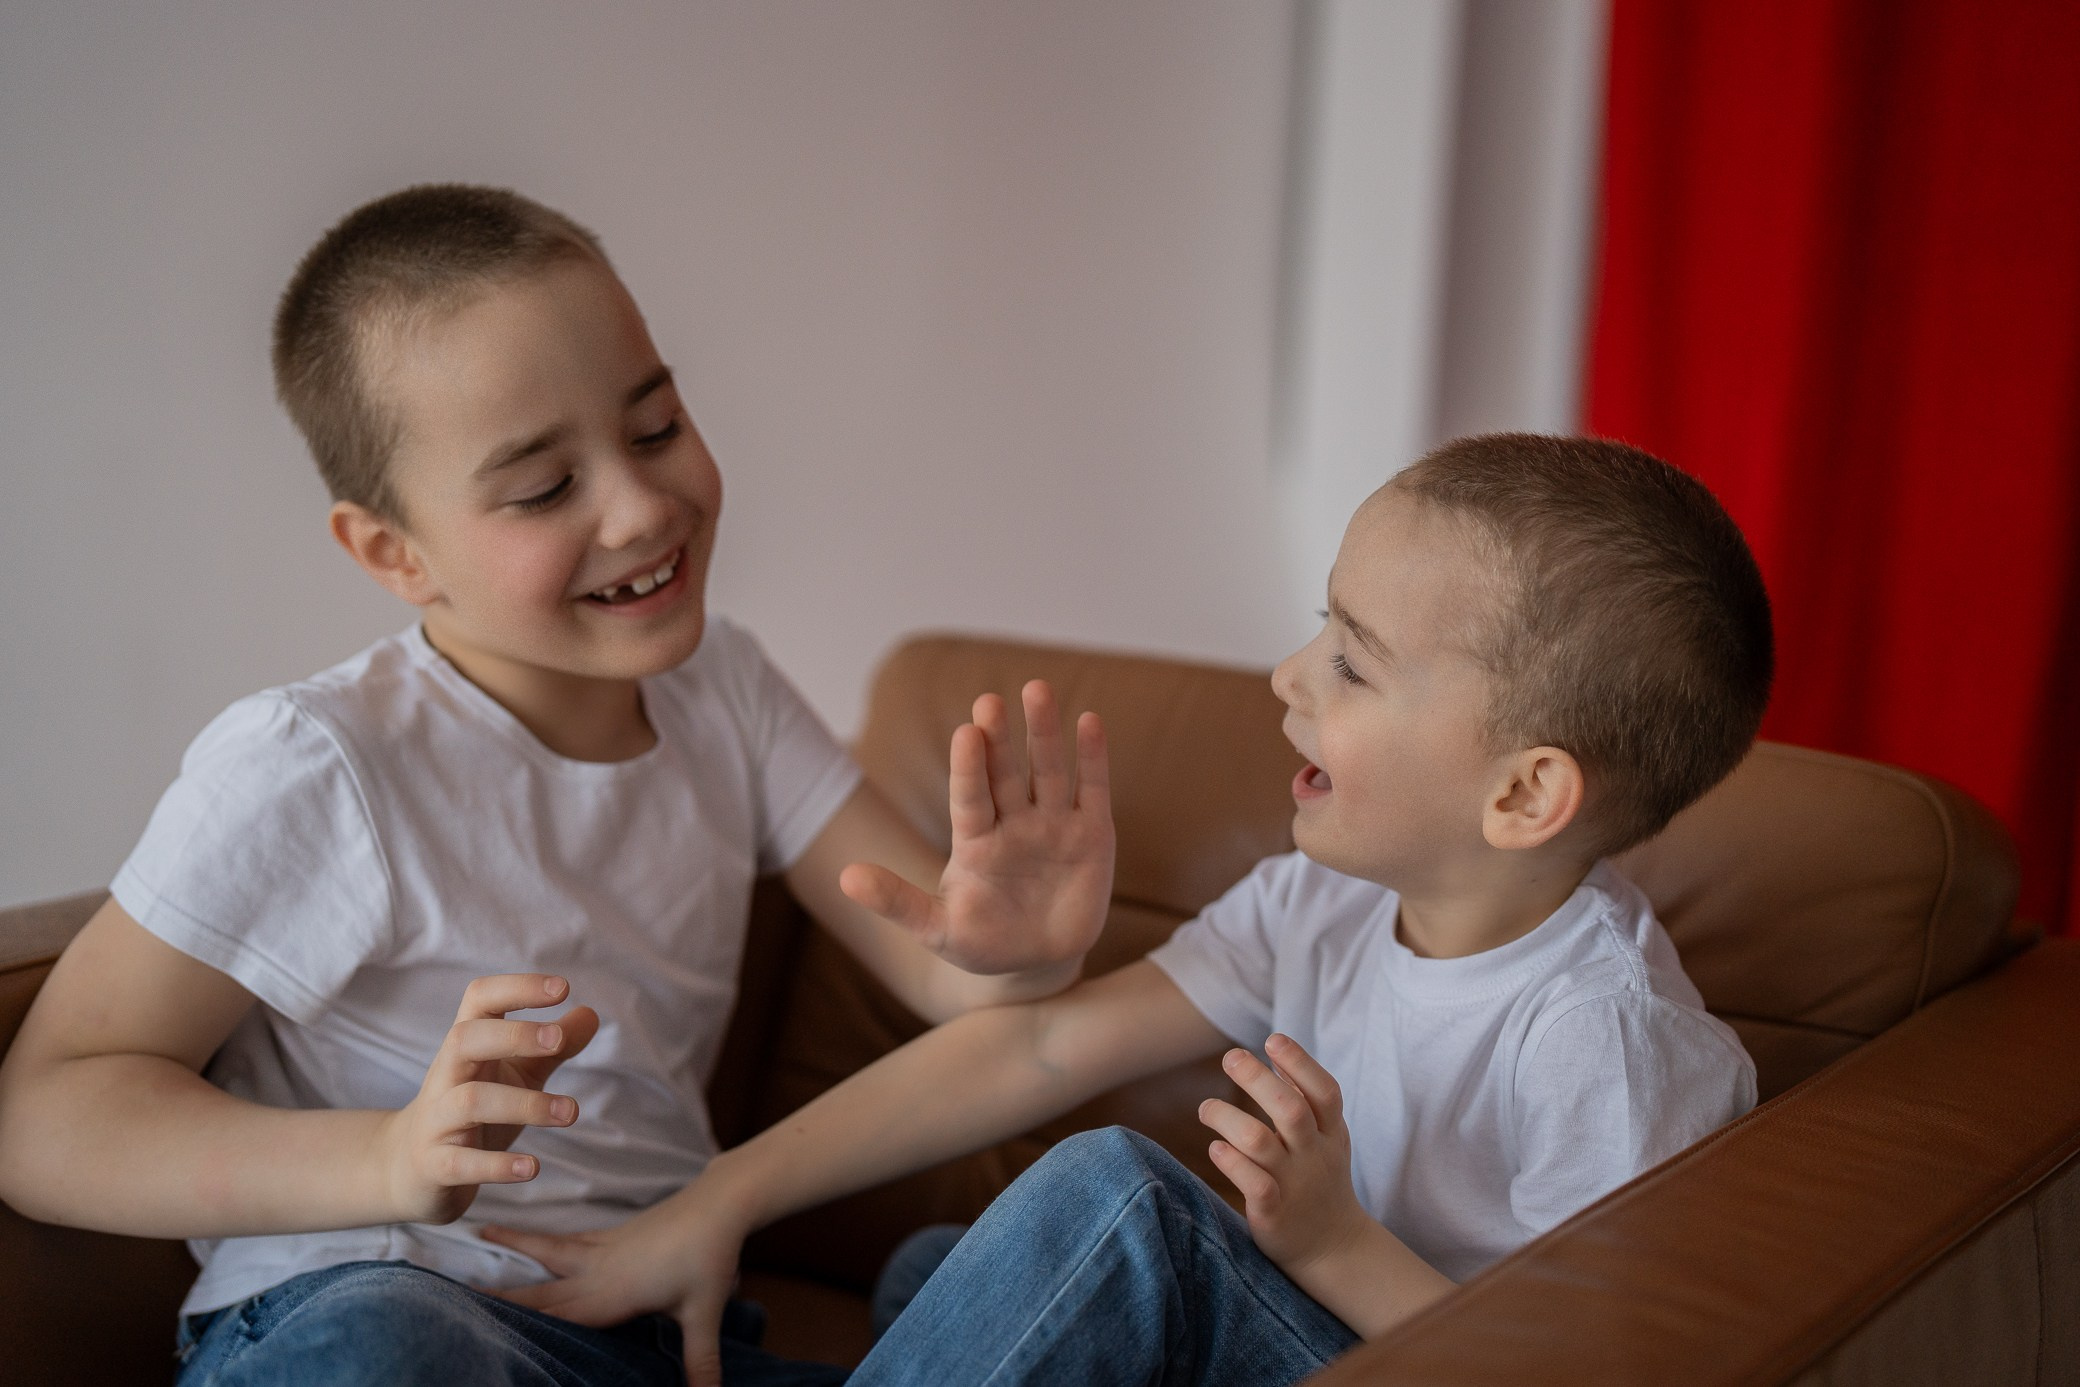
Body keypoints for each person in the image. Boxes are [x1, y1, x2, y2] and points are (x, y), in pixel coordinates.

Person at [0, 184, 1117, 1387]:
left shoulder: (725, 690)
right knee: (385, 1347)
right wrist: (387, 1160)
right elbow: (49, 1114)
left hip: (658, 1330)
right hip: (397, 1305)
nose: (642, 509)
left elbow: (952, 971)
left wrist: (1026, 953)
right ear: (395, 553)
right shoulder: (318, 761)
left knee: (1112, 1232)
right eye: (542, 489)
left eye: (655, 428)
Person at [482, 433, 1773, 1387]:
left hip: (1411, 1345)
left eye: (1353, 661)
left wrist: (1333, 1245)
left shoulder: (1602, 1037)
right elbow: (1039, 1043)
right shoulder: (1324, 899)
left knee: (1120, 1206)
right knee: (944, 1266)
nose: (1287, 672)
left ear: (1525, 790)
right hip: (1316, 1321)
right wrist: (725, 1193)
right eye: (1320, 622)